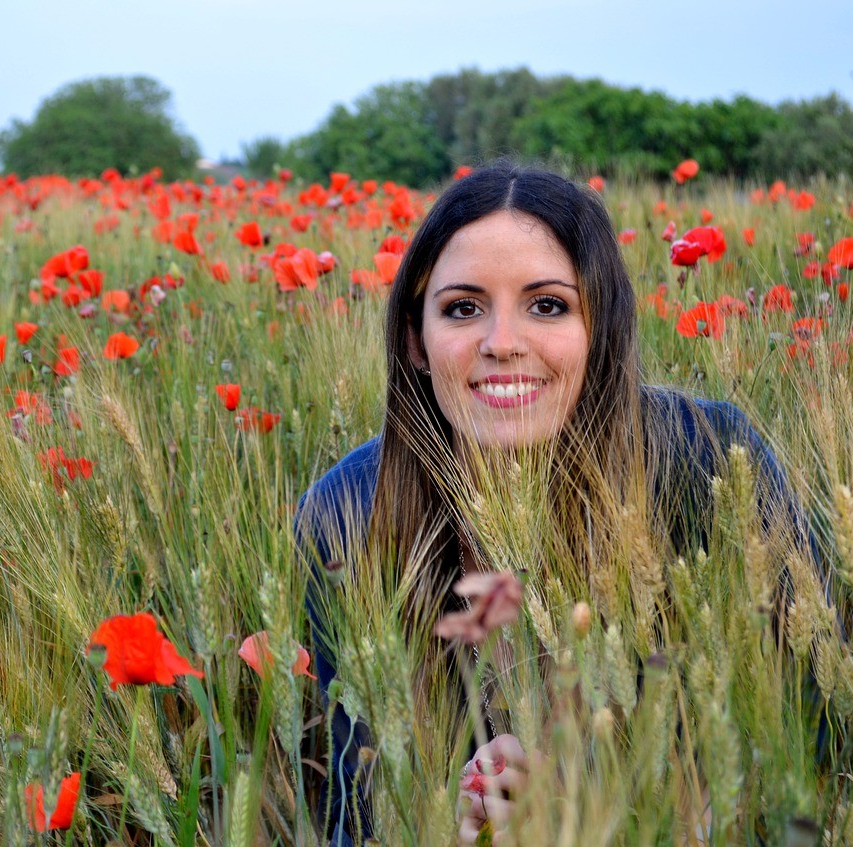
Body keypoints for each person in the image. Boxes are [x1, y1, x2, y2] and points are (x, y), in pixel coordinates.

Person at [295, 161, 822, 846]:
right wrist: (448, 829)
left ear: (599, 327)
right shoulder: (348, 513)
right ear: (414, 340)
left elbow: (819, 745)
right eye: (463, 307)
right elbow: (358, 816)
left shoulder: (712, 461)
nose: (502, 342)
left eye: (548, 304)